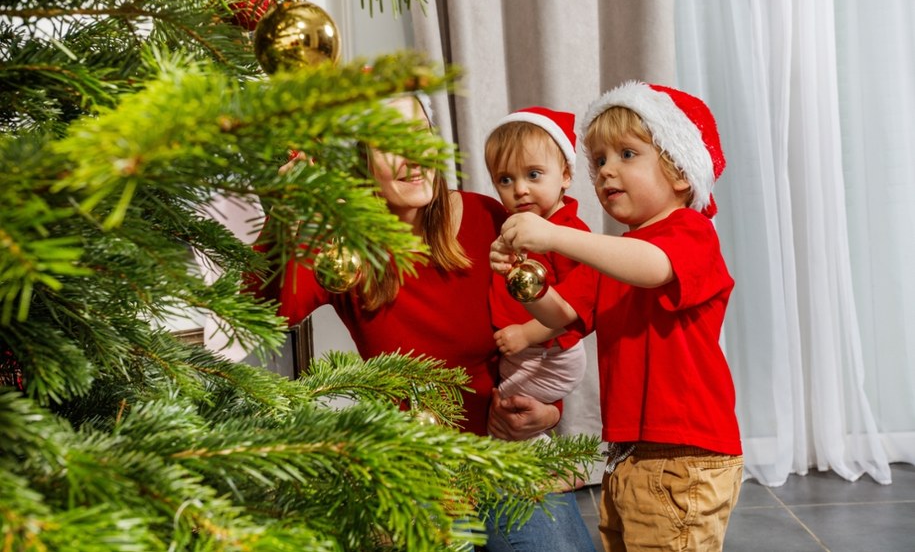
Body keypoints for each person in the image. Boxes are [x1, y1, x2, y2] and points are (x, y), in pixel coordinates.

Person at [247, 93, 597, 552]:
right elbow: (255, 313)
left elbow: (554, 328)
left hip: (507, 454)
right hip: (415, 468)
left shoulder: (490, 218)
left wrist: (549, 412)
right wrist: (281, 220)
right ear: (358, 164)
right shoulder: (342, 251)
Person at [491, 81, 744, 551]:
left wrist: (556, 237)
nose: (607, 171)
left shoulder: (691, 232)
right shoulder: (615, 254)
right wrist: (522, 280)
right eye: (600, 160)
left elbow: (654, 268)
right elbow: (561, 313)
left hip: (684, 452)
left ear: (680, 171)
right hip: (629, 453)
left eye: (627, 154)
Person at [482, 107, 589, 441]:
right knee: (507, 409)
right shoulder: (514, 226)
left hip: (550, 353)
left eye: (533, 175)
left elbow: (579, 308)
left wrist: (527, 334)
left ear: (565, 175)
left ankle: (544, 467)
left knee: (501, 412)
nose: (520, 190)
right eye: (505, 179)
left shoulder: (568, 233)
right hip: (528, 352)